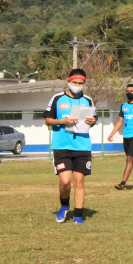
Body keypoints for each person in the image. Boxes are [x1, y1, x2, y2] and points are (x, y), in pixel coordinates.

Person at [45, 68, 98, 224]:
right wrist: (63, 121)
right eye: (74, 82)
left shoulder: (87, 100)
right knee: (65, 181)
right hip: (61, 146)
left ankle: (78, 216)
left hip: (82, 146)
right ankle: (64, 205)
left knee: (79, 182)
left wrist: (92, 121)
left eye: (80, 83)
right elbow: (48, 120)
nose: (77, 85)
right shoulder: (57, 98)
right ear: (69, 82)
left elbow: (93, 119)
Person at [107, 83, 133, 190]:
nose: (129, 93)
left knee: (129, 158)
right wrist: (112, 133)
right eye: (127, 91)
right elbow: (120, 121)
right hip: (127, 136)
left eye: (131, 91)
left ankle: (122, 183)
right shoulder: (124, 106)